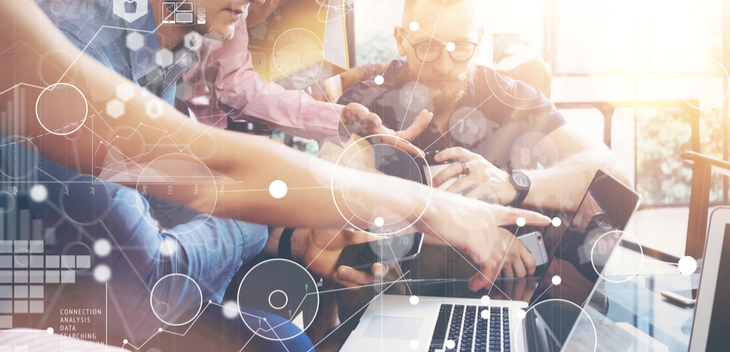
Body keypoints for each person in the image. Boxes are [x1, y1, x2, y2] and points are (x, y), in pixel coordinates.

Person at [0, 0, 551, 347]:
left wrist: (333, 137)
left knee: (283, 331)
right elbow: (204, 174)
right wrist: (272, 227)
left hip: (112, 260)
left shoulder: (188, 30)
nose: (255, 7)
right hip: (63, 285)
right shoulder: (66, 38)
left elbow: (215, 129)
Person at [335, 0, 630, 278]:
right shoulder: (364, 104)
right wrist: (469, 228)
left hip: (508, 288)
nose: (445, 66)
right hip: (397, 291)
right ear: (401, 40)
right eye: (427, 47)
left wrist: (515, 183)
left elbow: (612, 176)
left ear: (479, 38)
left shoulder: (510, 97)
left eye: (461, 47)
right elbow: (334, 202)